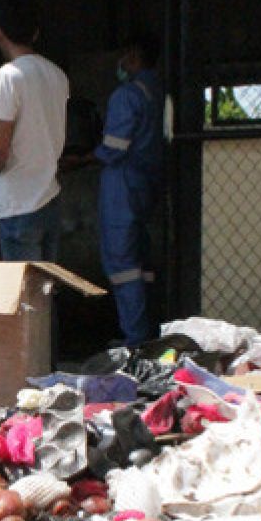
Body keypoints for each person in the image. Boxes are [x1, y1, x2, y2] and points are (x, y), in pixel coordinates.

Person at [0, 0, 71, 262]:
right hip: (50, 198)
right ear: (35, 32)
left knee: (23, 294)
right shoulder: (57, 75)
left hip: (19, 204)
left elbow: (0, 150)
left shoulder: (7, 76)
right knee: (43, 290)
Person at [93, 35, 165, 347]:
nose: (120, 63)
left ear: (135, 54)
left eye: (124, 54)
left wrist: (83, 157)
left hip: (122, 184)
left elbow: (114, 148)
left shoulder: (126, 95)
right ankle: (147, 332)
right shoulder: (158, 92)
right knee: (142, 263)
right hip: (147, 183)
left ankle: (134, 339)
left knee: (122, 263)